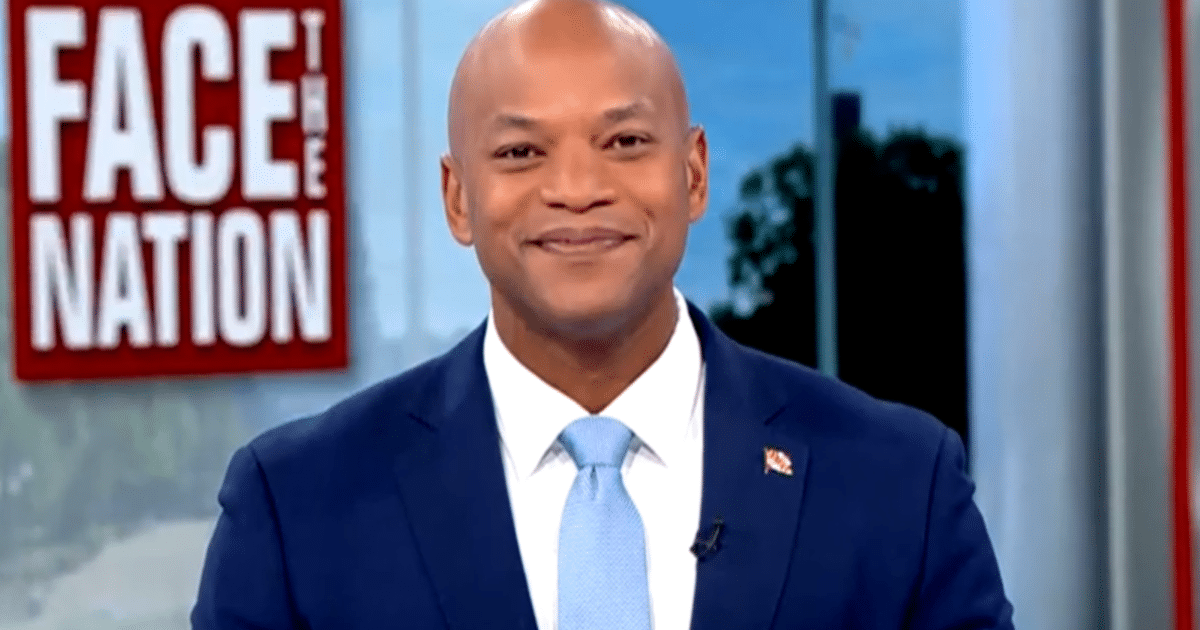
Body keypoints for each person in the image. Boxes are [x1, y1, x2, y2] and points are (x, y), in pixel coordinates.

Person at [191, 0, 1015, 628]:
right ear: (458, 198)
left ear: (694, 174)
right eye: (521, 152)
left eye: (624, 142)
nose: (578, 189)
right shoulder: (297, 506)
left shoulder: (899, 484)